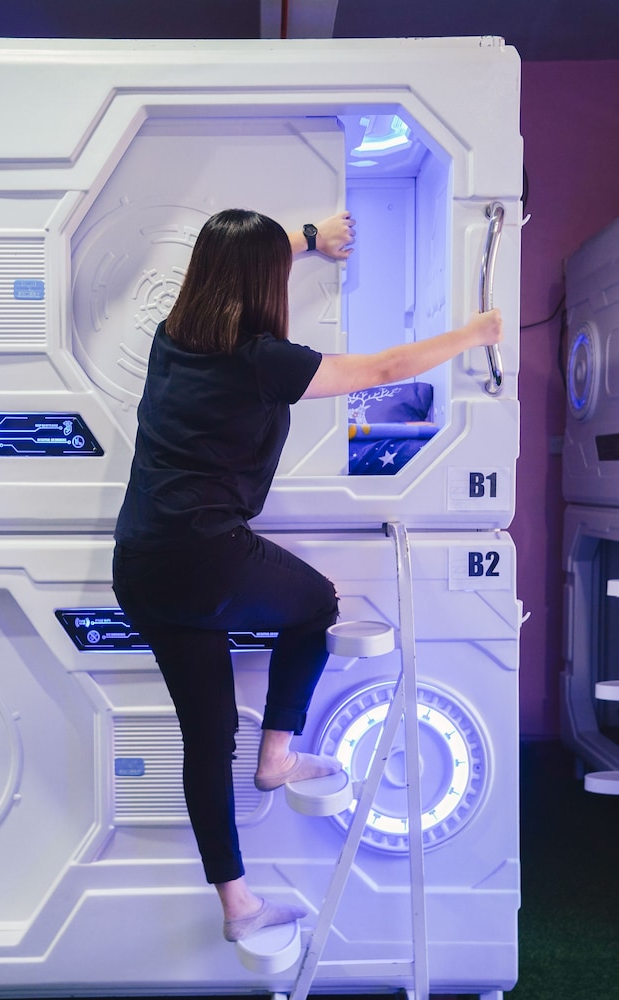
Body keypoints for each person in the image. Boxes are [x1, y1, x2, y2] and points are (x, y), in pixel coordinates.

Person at [112, 208, 503, 944]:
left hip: (139, 563)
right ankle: (277, 757)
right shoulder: (265, 359)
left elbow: (237, 262)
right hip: (206, 557)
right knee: (315, 604)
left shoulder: (173, 336)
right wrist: (475, 333)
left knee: (206, 739)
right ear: (263, 281)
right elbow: (382, 371)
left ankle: (238, 907)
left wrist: (308, 239)